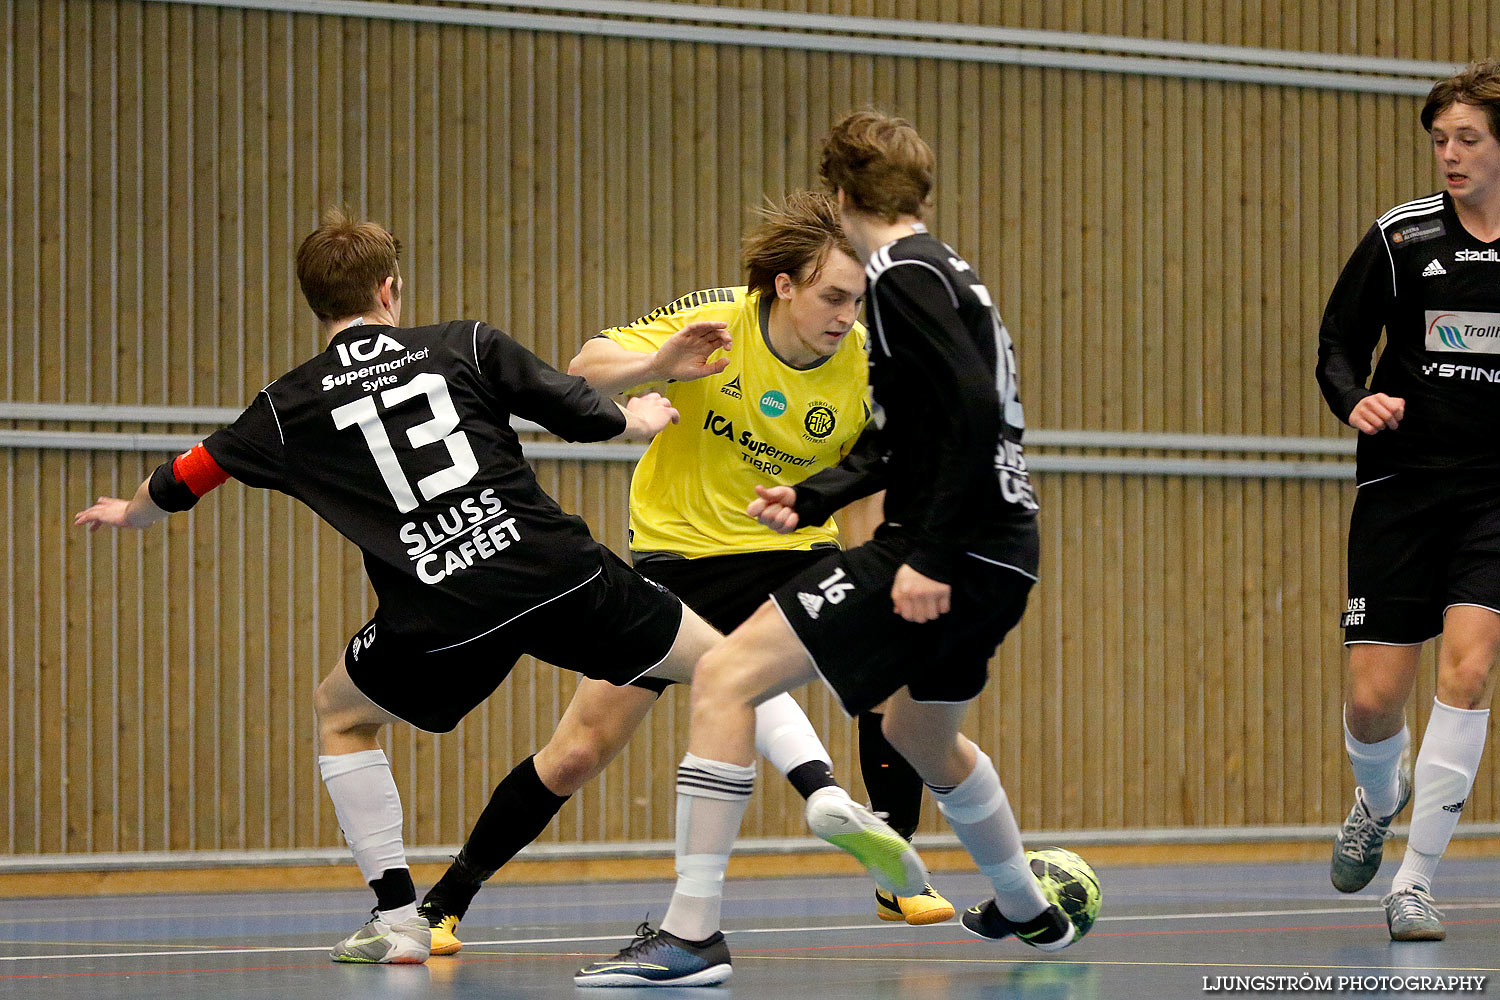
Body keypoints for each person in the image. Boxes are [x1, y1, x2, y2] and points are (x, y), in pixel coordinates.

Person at [72, 208, 920, 965]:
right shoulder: (463, 343)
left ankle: (401, 916)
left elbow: (184, 476)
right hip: (555, 572)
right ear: (390, 289)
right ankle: (823, 794)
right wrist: (640, 413)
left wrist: (129, 513)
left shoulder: (284, 406)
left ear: (316, 303)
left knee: (341, 715)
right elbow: (574, 404)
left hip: (440, 608)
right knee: (731, 665)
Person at [576, 111, 1079, 989]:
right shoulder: (956, 274)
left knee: (729, 676)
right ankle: (1029, 907)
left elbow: (965, 413)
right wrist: (813, 496)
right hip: (1008, 549)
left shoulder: (901, 277)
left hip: (946, 544)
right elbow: (905, 434)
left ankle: (692, 934)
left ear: (842, 198)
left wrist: (927, 554)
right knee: (919, 730)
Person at [415, 191, 950, 958]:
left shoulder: (868, 361)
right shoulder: (719, 320)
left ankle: (895, 860)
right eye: (832, 295)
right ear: (785, 287)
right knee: (576, 752)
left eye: (857, 299)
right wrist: (659, 365)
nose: (846, 314)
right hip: (682, 560)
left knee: (891, 669)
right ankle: (446, 899)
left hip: (793, 549)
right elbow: (582, 368)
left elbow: (890, 471)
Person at [1316, 61, 1500, 942]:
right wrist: (1355, 398)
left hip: (1493, 496)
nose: (1451, 154)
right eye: (1441, 140)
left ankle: (1416, 883)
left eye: (1468, 138)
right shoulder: (1403, 238)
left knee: (1468, 668)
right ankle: (1377, 794)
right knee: (1371, 702)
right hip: (1401, 488)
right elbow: (1338, 343)